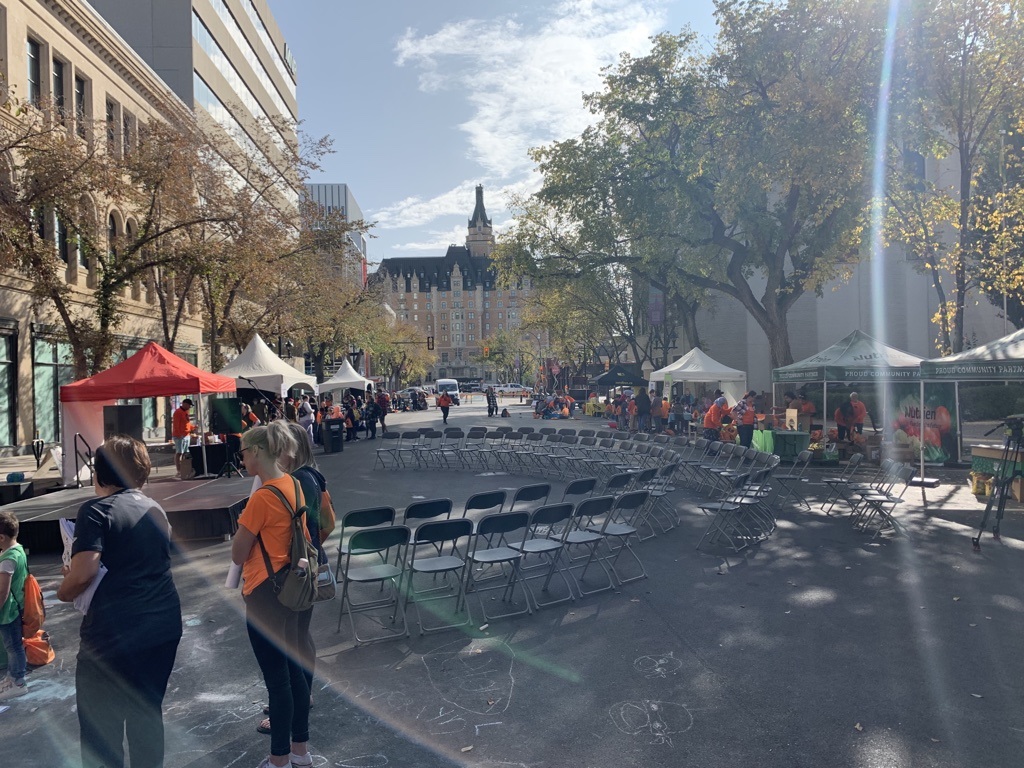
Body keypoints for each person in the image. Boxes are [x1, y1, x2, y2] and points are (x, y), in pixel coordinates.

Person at [57, 435, 182, 768]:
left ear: (100, 474)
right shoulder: (154, 508)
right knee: (146, 715)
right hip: (163, 624)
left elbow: (85, 571)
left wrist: (63, 588)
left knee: (101, 729)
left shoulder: (96, 510)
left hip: (114, 635)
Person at [231, 422, 312, 768]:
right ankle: (300, 752)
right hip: (291, 586)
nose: (242, 459)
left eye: (244, 453)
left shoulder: (262, 498)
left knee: (277, 681)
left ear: (259, 453)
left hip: (264, 594)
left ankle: (278, 759)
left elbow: (237, 553)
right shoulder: (293, 483)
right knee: (293, 673)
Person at [256, 422, 327, 737]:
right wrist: (314, 547)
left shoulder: (294, 480)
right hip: (305, 565)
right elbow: (329, 521)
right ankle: (300, 696)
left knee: (289, 641)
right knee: (299, 636)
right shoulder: (313, 475)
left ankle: (293, 703)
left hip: (291, 570)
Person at [0, 510, 28, 697]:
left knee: (13, 646)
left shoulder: (7, 560)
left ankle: (18, 682)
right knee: (14, 645)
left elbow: (2, 591)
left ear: (1, 537)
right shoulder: (18, 551)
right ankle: (12, 676)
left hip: (7, 611)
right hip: (15, 608)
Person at [172, 398, 196, 479]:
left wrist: (192, 427)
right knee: (179, 452)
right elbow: (176, 425)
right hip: (180, 436)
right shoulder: (178, 412)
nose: (189, 407)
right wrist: (179, 434)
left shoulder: (186, 412)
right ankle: (178, 470)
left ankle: (185, 469)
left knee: (186, 453)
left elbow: (187, 423)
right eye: (189, 405)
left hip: (186, 435)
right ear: (185, 404)